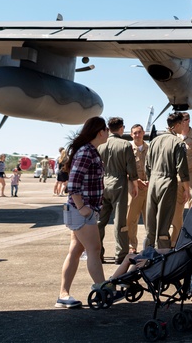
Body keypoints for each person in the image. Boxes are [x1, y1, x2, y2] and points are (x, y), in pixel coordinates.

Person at [56, 115, 109, 308]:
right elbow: (73, 183)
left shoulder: (90, 151)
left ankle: (63, 294)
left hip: (82, 210)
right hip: (81, 211)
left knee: (76, 251)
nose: (108, 133)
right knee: (94, 250)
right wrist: (82, 208)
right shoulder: (87, 152)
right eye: (106, 130)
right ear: (100, 132)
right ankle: (103, 290)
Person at [145, 112, 191, 250]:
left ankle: (148, 249)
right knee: (164, 219)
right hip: (167, 181)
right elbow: (182, 169)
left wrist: (150, 179)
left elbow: (147, 165)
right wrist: (187, 189)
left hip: (153, 181)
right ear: (176, 125)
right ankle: (163, 251)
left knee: (151, 218)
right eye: (182, 124)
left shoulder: (154, 141)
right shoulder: (177, 142)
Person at [97, 117, 137, 264]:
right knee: (120, 221)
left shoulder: (100, 145)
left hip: (103, 183)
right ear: (121, 128)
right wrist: (134, 184)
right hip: (119, 183)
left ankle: (97, 252)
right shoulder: (125, 144)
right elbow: (131, 168)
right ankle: (120, 255)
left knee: (100, 221)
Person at [169, 111, 192, 245]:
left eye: (186, 119)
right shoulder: (173, 137)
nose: (184, 121)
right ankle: (175, 240)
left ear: (189, 120)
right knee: (176, 210)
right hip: (176, 176)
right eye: (182, 119)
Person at [125, 123, 149, 253]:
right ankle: (131, 245)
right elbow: (123, 168)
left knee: (150, 218)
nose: (137, 135)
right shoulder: (127, 149)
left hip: (148, 188)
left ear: (143, 133)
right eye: (134, 133)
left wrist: (151, 181)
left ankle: (150, 244)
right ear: (131, 135)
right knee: (131, 218)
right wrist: (135, 180)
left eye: (139, 132)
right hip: (134, 188)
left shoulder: (150, 148)